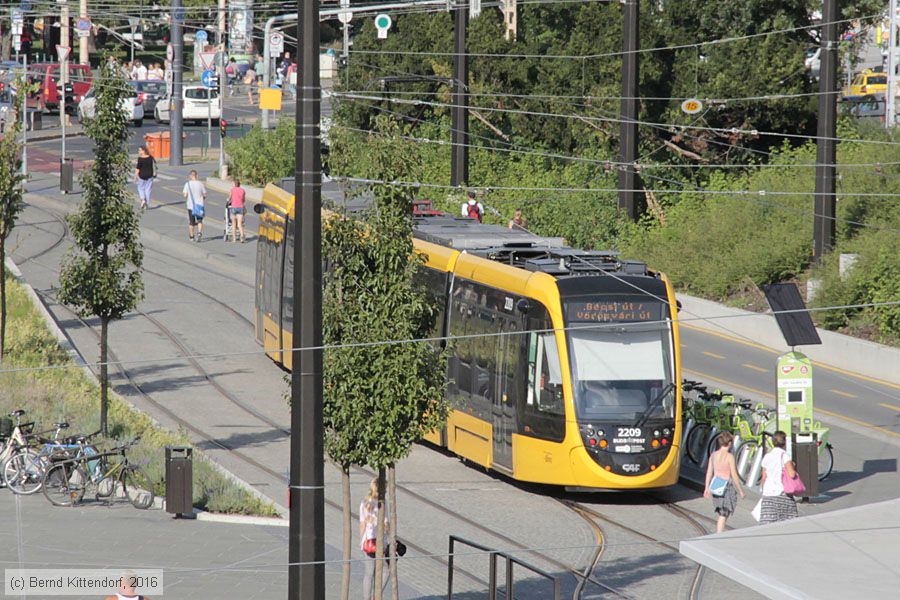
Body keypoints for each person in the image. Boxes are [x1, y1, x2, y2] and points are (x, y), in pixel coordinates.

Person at [703, 432, 745, 533]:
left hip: (716, 486)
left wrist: (706, 488)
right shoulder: (729, 457)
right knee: (724, 513)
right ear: (730, 443)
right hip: (726, 487)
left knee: (722, 512)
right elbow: (734, 475)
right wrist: (740, 491)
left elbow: (709, 472)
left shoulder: (713, 455)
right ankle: (719, 534)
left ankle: (719, 532)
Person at [758, 430, 800, 524]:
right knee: (790, 523)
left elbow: (764, 477)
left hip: (768, 495)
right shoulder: (784, 456)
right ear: (784, 442)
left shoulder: (767, 456)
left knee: (767, 526)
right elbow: (792, 474)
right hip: (782, 494)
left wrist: (763, 491)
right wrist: (793, 465)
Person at [359, 479, 389, 600]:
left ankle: (367, 598)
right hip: (381, 541)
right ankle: (376, 595)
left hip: (368, 541)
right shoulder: (383, 503)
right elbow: (386, 523)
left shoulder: (364, 502)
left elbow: (362, 523)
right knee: (386, 569)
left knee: (369, 572)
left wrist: (361, 540)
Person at [182, 170, 207, 242]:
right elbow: (205, 194)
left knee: (191, 222)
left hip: (191, 206)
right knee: (200, 220)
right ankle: (199, 233)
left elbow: (185, 195)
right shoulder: (201, 184)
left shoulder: (187, 184)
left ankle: (191, 236)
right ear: (197, 175)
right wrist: (202, 199)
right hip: (199, 205)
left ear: (190, 176)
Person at [134, 145, 156, 211]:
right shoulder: (150, 157)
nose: (139, 151)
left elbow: (138, 169)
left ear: (144, 151)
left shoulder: (140, 159)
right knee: (148, 189)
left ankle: (143, 200)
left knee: (140, 188)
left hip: (142, 176)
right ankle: (147, 203)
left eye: (140, 150)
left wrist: (135, 177)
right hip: (150, 175)